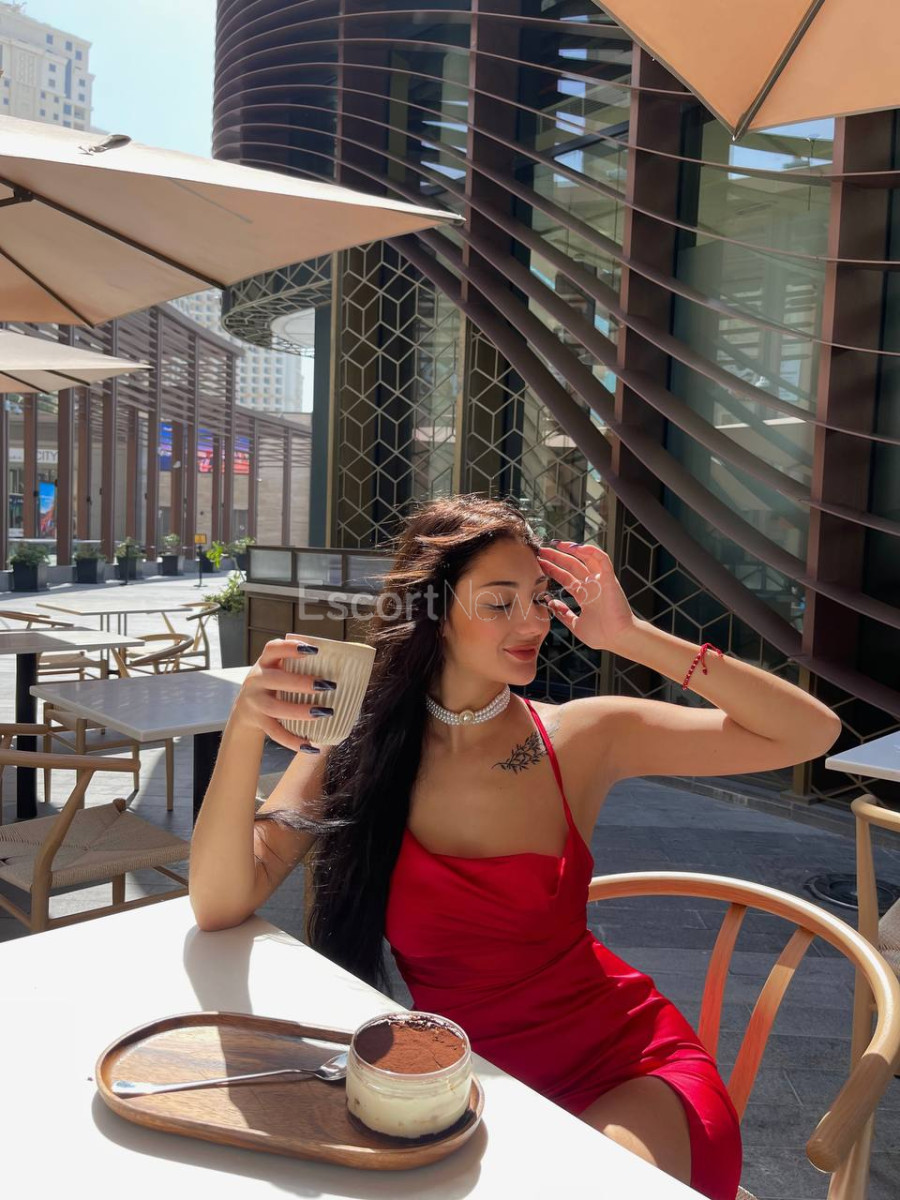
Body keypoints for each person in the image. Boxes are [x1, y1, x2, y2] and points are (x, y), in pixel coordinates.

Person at [190, 495, 841, 1199]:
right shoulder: (360, 747)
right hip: (462, 1087)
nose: (532, 623)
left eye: (538, 598)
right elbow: (221, 903)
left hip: (626, 1069)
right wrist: (245, 728)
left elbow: (809, 734)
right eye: (500, 603)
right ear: (435, 612)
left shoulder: (579, 736)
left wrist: (632, 636)